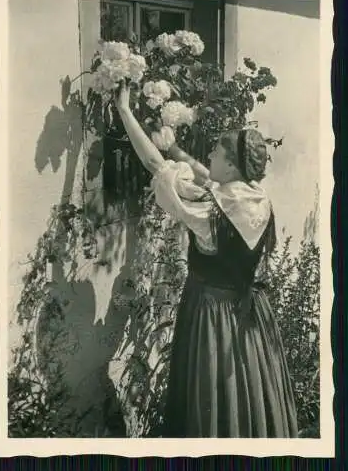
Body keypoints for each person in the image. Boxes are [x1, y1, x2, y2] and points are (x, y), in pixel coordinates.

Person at [114, 80, 299, 438]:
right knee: (250, 385)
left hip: (213, 311)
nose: (209, 155)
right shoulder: (255, 196)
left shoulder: (211, 212)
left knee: (213, 390)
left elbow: (155, 165)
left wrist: (124, 109)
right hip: (251, 310)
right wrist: (178, 149)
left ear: (231, 166)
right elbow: (203, 172)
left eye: (216, 152)